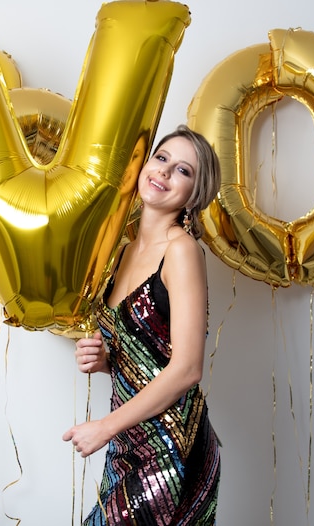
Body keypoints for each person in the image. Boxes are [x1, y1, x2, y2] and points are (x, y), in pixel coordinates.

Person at [62, 124, 222, 525]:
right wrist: (105, 359)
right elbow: (149, 350)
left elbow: (186, 369)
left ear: (194, 194)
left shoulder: (182, 251)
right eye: (162, 158)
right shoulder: (124, 252)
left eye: (184, 171)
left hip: (171, 448)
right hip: (129, 444)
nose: (165, 173)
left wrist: (104, 428)